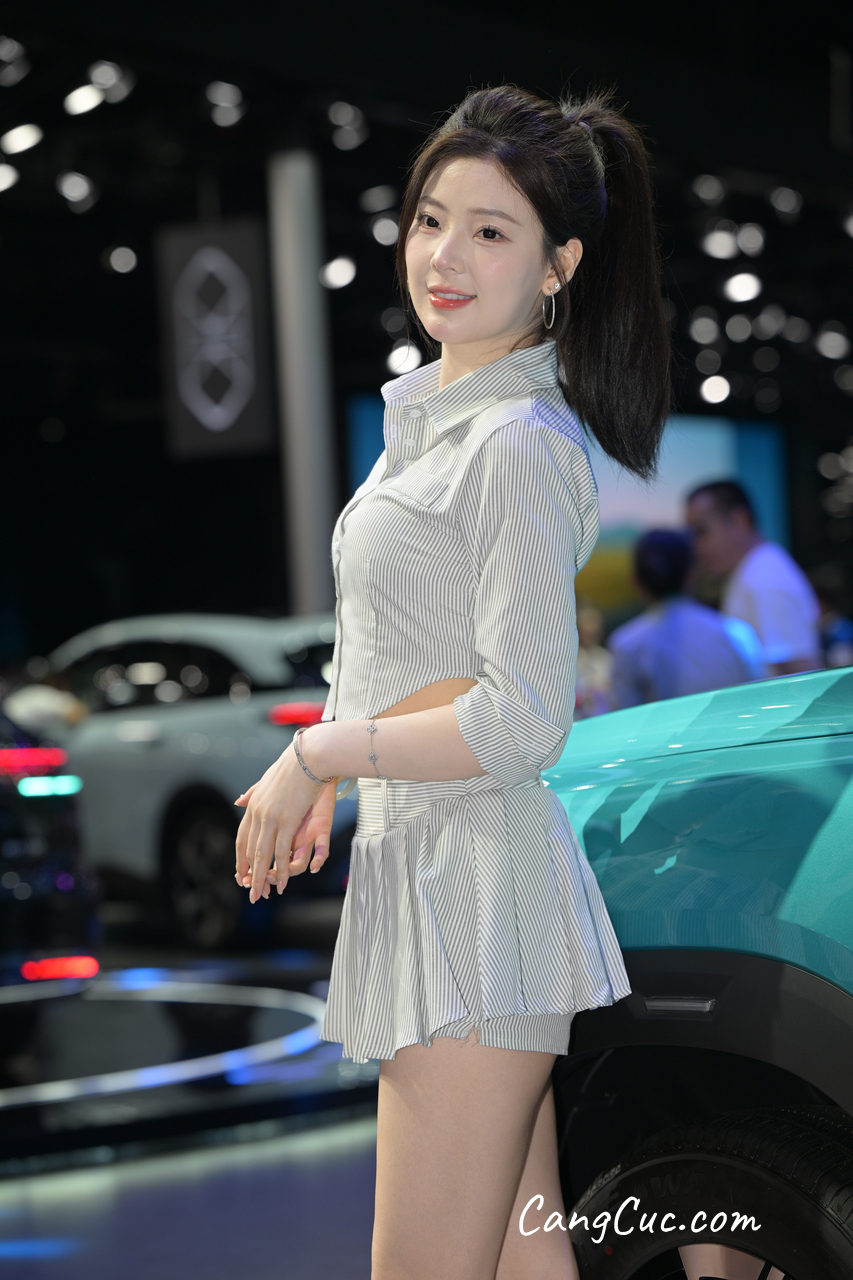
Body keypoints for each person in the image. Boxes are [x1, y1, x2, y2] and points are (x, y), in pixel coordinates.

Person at [233, 85, 672, 1280]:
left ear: (558, 265)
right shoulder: (439, 427)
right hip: (441, 886)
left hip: (471, 899)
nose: (444, 255)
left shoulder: (515, 443)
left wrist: (319, 751)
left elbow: (521, 716)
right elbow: (428, 666)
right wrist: (339, 752)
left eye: (489, 231)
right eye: (431, 219)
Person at [608, 529, 765, 707]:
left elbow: (624, 716)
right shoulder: (737, 633)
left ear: (636, 583)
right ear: (691, 575)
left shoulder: (627, 646)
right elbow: (758, 700)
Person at [685, 480, 822, 676]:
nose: (696, 547)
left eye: (701, 532)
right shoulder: (754, 571)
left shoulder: (764, 579)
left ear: (739, 520)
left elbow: (803, 676)